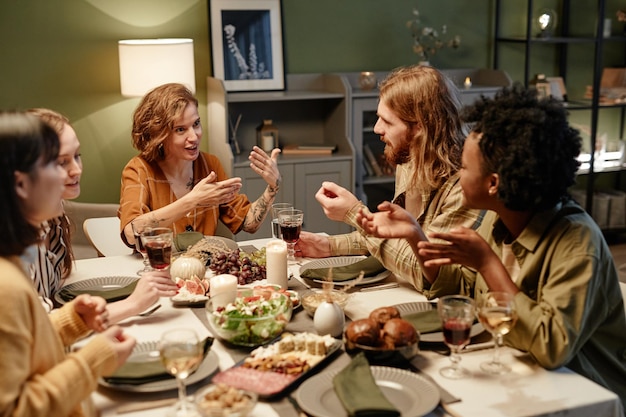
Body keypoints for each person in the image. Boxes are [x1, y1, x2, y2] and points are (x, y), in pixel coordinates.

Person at [356, 85, 626, 410]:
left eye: (466, 168)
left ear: (493, 183)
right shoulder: (499, 220)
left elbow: (553, 346)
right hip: (520, 374)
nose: (460, 173)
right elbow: (461, 285)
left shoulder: (577, 242)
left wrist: (488, 264)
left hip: (583, 394)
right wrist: (415, 236)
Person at [296, 65, 483, 291]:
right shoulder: (410, 158)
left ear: (420, 127)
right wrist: (328, 245)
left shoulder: (465, 186)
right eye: (378, 118)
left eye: (387, 121)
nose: (376, 129)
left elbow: (429, 272)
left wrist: (354, 214)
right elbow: (400, 239)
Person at [0, 111, 135, 417]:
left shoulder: (15, 259)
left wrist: (70, 321)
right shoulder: (5, 285)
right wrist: (93, 360)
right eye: (53, 164)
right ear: (20, 184)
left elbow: (23, 340)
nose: (67, 174)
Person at [22, 108, 177, 321]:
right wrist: (132, 304)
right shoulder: (17, 244)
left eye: (77, 156)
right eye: (61, 162)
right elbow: (38, 331)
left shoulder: (53, 217)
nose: (76, 169)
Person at [119, 83, 282, 247]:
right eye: (180, 130)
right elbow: (131, 232)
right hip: (157, 269)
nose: (194, 136)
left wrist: (272, 187)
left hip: (204, 268)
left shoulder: (210, 165)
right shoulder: (138, 169)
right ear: (158, 135)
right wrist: (193, 200)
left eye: (196, 124)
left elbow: (248, 223)